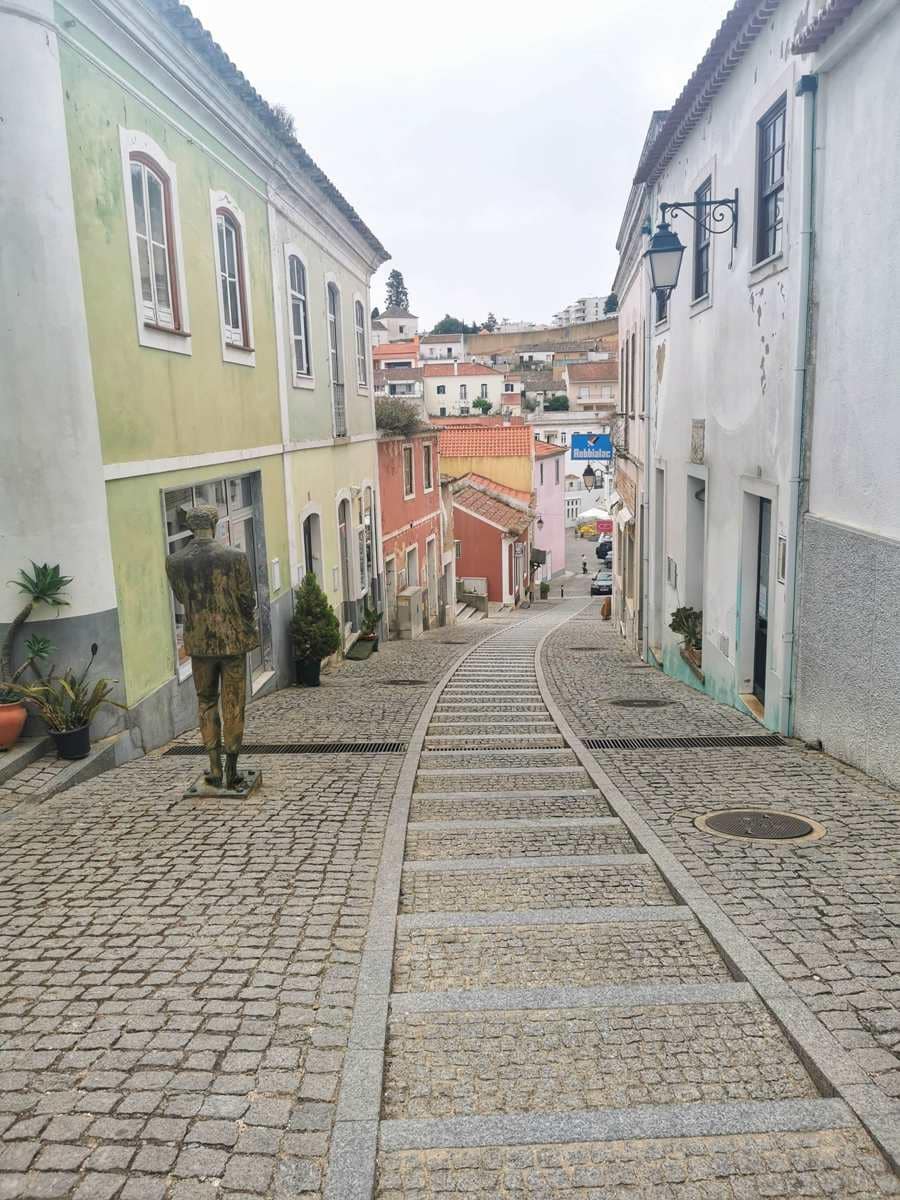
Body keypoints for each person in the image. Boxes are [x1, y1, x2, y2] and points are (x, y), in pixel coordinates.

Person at [166, 505, 259, 791]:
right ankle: (232, 771)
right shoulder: (235, 557)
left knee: (205, 702)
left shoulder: (175, 561)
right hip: (232, 642)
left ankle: (214, 768)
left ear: (191, 527)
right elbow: (247, 601)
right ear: (215, 524)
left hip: (200, 643)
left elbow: (183, 598)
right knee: (233, 703)